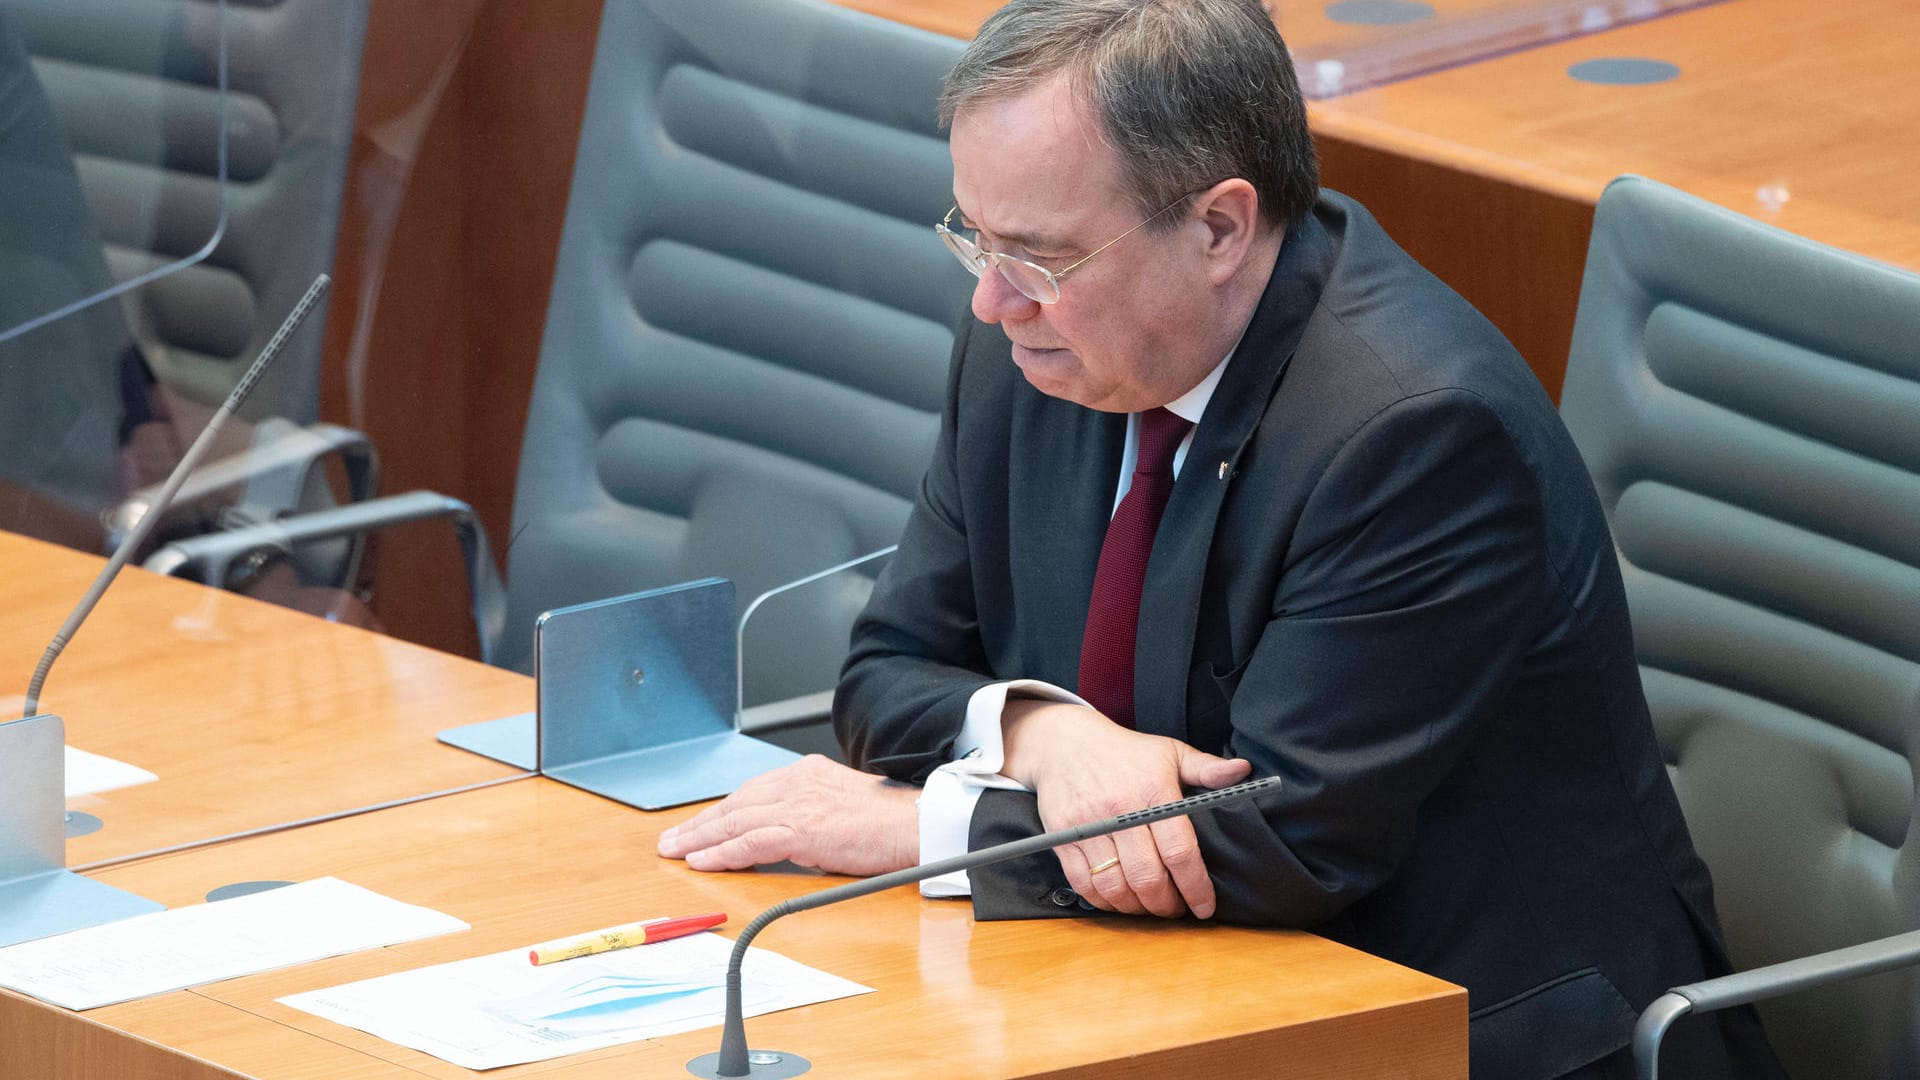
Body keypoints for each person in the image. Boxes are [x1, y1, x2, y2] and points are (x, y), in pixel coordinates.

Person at [658, 2, 1783, 1075]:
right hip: (1150, 992)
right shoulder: (1035, 354)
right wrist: (1050, 735)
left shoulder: (1413, 433)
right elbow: (885, 675)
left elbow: (1271, 841)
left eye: (1040, 258)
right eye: (975, 240)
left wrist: (920, 829)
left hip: (1453, 1031)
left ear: (1219, 227)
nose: (992, 301)